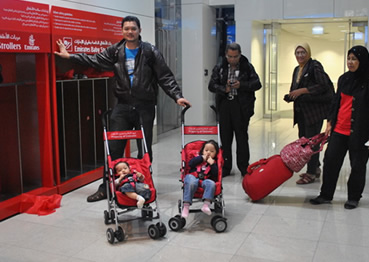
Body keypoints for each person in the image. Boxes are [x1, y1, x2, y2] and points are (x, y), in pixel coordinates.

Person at [55, 15, 191, 202]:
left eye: (133, 28)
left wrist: (177, 96)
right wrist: (70, 56)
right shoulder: (115, 51)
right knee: (113, 148)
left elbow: (165, 76)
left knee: (144, 150)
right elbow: (93, 60)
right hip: (122, 106)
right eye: (126, 28)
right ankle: (106, 188)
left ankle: (144, 185)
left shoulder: (150, 52)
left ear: (139, 31)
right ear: (122, 31)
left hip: (144, 107)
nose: (130, 31)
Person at [309, 45, 369, 209]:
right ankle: (326, 195)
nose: (350, 62)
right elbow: (336, 102)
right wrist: (329, 122)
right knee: (330, 162)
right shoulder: (344, 79)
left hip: (360, 133)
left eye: (354, 59)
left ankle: (354, 197)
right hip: (339, 130)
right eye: (349, 59)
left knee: (357, 165)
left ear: (362, 61)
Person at [209, 43, 262, 177]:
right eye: (230, 57)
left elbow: (257, 84)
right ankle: (226, 166)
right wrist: (224, 89)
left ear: (240, 54)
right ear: (226, 55)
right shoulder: (220, 67)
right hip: (225, 105)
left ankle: (244, 166)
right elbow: (211, 85)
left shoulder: (247, 67)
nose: (232, 59)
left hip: (241, 106)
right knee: (225, 138)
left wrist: (241, 85)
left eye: (235, 56)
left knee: (242, 137)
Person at [284, 43, 334, 184]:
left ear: (309, 53)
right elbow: (295, 87)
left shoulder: (314, 66)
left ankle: (311, 173)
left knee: (310, 144)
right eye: (298, 53)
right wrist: (291, 96)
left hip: (313, 113)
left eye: (303, 52)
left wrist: (303, 91)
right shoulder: (297, 69)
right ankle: (315, 168)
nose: (300, 55)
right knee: (305, 142)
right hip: (302, 113)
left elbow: (323, 85)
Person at [182, 140, 219, 218]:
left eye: (212, 151)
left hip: (205, 180)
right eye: (206, 150)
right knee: (190, 182)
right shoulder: (197, 158)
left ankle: (206, 205)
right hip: (192, 177)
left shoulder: (213, 163)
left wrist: (212, 164)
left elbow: (216, 174)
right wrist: (201, 158)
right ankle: (186, 206)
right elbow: (190, 164)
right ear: (202, 151)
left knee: (211, 184)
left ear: (216, 154)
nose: (208, 153)